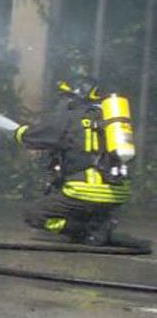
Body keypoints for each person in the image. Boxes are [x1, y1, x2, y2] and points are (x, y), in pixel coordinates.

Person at [15, 76, 132, 245]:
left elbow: (30, 137)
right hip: (118, 193)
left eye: (66, 96)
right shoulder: (110, 121)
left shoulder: (70, 118)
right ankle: (100, 222)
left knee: (34, 215)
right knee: (76, 198)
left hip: (84, 191)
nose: (63, 101)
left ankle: (83, 229)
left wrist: (18, 131)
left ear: (77, 97)